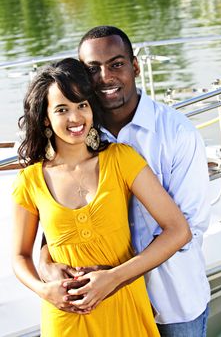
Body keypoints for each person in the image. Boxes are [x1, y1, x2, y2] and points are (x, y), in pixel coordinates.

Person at [39, 26, 211, 337]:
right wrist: (45, 263)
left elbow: (188, 228)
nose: (104, 77)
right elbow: (56, 211)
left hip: (172, 303)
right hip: (104, 306)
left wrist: (116, 276)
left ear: (134, 66)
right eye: (92, 69)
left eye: (116, 64)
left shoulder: (177, 133)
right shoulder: (78, 132)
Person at [12, 57, 191, 337]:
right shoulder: (30, 180)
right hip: (67, 317)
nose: (75, 118)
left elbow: (178, 230)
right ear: (46, 118)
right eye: (62, 109)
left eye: (82, 105)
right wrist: (44, 290)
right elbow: (20, 256)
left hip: (125, 306)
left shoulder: (121, 159)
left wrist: (114, 278)